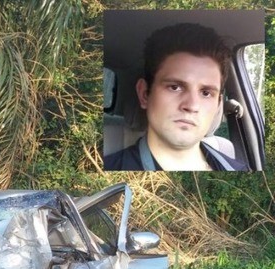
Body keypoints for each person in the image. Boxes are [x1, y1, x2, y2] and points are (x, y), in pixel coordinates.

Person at [104, 23, 248, 171]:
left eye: (206, 93)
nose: (192, 105)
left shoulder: (238, 168)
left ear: (218, 104)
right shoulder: (108, 167)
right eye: (175, 87)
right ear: (144, 94)